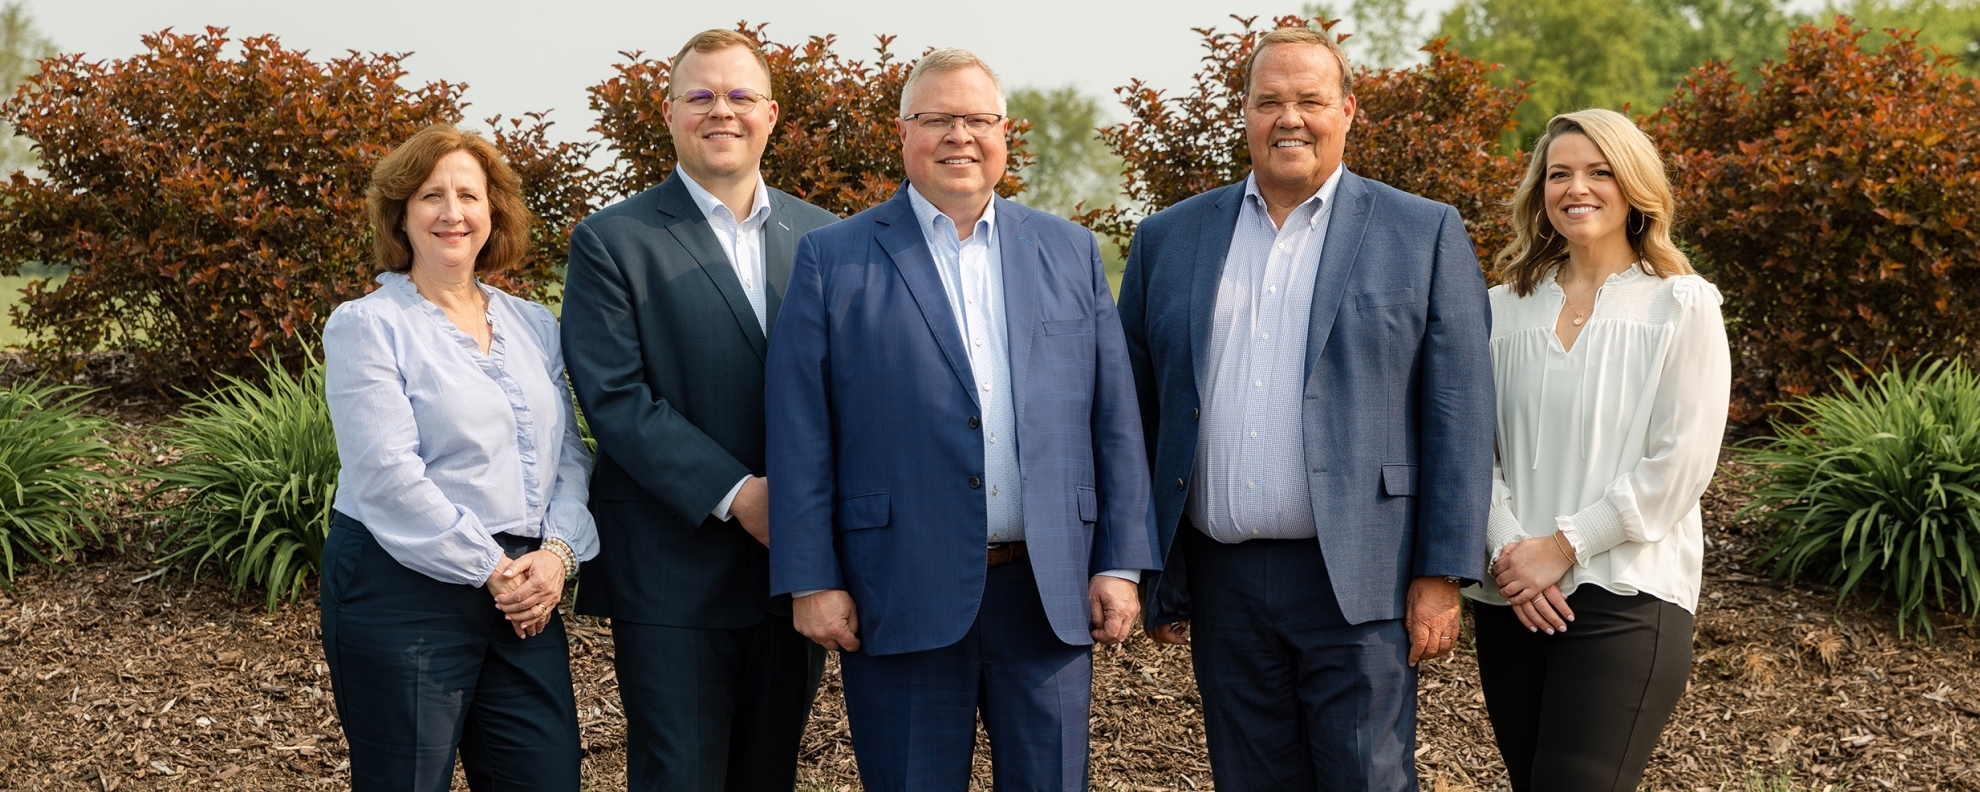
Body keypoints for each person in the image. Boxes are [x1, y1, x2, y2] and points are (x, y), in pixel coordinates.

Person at [764, 48, 1158, 792]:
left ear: (1005, 133)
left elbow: (1115, 419)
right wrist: (811, 577)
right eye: (937, 118)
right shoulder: (833, 259)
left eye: (977, 119)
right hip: (897, 590)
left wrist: (1119, 562)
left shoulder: (1069, 251)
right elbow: (800, 434)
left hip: (1048, 592)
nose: (959, 136)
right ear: (902, 132)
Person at [1116, 26, 1496, 791]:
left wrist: (1443, 572)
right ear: (1245, 114)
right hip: (1223, 581)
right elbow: (1138, 414)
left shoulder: (1421, 232)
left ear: (1348, 110)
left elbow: (1459, 412)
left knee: (1367, 778)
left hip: (1363, 574)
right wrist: (1149, 567)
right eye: (1270, 101)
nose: (1289, 118)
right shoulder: (1168, 239)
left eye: (1311, 100)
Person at [559, 29, 840, 792]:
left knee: (767, 774)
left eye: (741, 96)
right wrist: (741, 496)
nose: (724, 112)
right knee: (678, 775)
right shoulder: (612, 241)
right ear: (670, 111)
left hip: (795, 572)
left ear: (771, 114)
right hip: (672, 572)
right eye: (702, 96)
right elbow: (616, 398)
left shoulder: (826, 238)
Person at [320, 122, 597, 792]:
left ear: (493, 212)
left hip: (524, 592)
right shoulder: (368, 326)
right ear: (400, 214)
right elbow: (388, 477)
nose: (452, 213)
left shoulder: (533, 324)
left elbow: (567, 451)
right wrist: (494, 570)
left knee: (545, 775)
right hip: (402, 589)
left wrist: (557, 556)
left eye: (469, 196)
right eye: (430, 196)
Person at [1469, 107, 1730, 792]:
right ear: (1540, 190)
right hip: (1512, 598)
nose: (1576, 188)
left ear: (1633, 186)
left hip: (1627, 593)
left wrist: (1562, 547)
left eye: (1599, 172)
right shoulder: (1499, 309)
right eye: (1559, 174)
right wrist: (1510, 554)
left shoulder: (1681, 304)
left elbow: (1682, 462)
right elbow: (1468, 446)